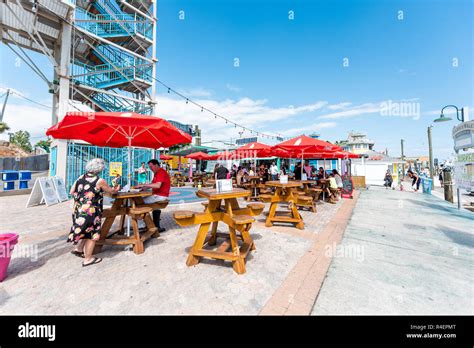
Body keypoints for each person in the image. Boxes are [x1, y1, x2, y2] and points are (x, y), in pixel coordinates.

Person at [69, 158, 120, 267]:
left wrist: (82, 197)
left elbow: (71, 192)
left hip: (79, 210)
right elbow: (111, 191)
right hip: (91, 211)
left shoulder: (80, 177)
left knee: (84, 230)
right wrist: (116, 188)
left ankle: (78, 249)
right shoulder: (99, 181)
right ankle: (88, 259)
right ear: (100, 169)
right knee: (92, 234)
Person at [134, 159, 170, 232]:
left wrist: (144, 184)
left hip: (160, 196)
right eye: (149, 167)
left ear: (156, 165)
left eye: (151, 166)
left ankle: (142, 225)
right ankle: (155, 226)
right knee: (140, 201)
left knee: (139, 203)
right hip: (158, 195)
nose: (150, 168)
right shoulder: (157, 173)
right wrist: (144, 187)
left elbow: (157, 185)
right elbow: (153, 185)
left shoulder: (161, 172)